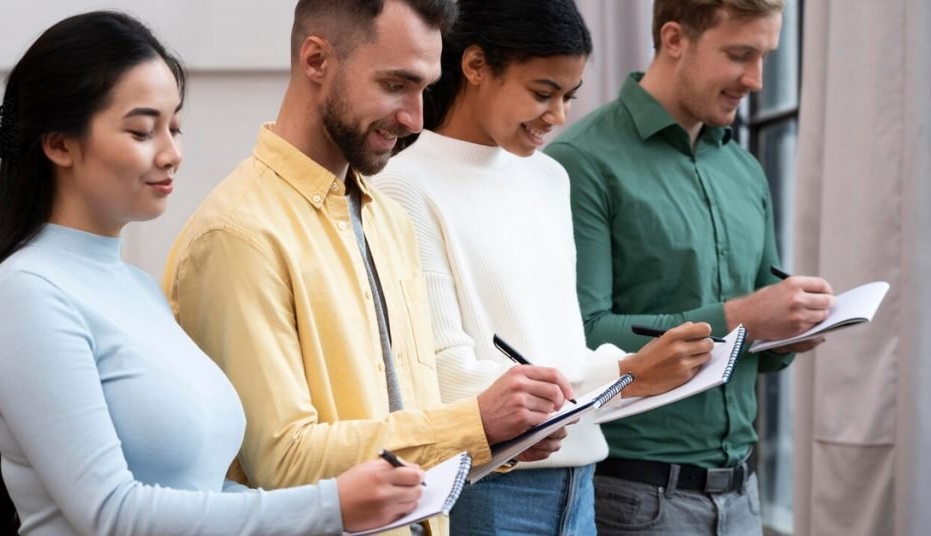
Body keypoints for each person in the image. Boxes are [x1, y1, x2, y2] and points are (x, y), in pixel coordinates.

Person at [0, 11, 427, 536]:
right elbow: (110, 514)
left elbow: (201, 493)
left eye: (174, 126)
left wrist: (347, 506)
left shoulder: (136, 288)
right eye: (142, 130)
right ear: (59, 144)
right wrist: (328, 506)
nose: (172, 154)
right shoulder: (26, 294)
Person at [162, 2, 579, 534]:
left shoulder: (387, 217)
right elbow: (283, 465)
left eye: (425, 88)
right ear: (316, 60)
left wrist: (497, 438)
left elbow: (410, 425)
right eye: (394, 84)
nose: (415, 118)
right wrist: (474, 422)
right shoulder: (238, 235)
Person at [369, 1, 718, 533]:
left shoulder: (551, 180)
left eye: (569, 96)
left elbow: (562, 349)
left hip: (581, 485)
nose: (558, 117)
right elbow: (441, 376)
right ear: (476, 66)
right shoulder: (403, 184)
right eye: (542, 92)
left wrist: (639, 373)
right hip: (487, 490)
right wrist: (623, 375)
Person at [545, 0, 836, 533]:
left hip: (743, 495)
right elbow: (581, 339)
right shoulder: (580, 161)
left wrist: (787, 333)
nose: (755, 79)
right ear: (675, 39)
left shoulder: (744, 169)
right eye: (740, 54)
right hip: (634, 500)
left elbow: (757, 351)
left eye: (766, 57)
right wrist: (743, 315)